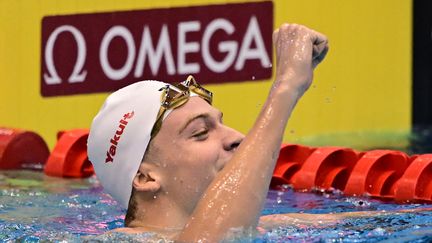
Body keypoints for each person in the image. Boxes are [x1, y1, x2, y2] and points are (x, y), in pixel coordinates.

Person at [87, 23, 358, 241]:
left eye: (221, 123)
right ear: (145, 177)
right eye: (201, 132)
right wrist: (286, 88)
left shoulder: (267, 227)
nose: (237, 137)